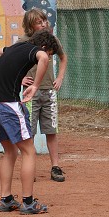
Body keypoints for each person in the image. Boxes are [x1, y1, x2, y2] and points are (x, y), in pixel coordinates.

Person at [0, 29, 61, 215]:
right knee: (29, 151)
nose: (48, 60)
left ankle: (6, 199)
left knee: (10, 151)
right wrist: (35, 86)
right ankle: (28, 202)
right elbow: (41, 58)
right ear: (43, 47)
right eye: (50, 54)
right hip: (8, 107)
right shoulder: (35, 51)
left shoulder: (14, 48)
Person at [19, 9, 68, 182]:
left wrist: (60, 77)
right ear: (30, 25)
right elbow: (13, 61)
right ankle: (29, 168)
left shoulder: (51, 40)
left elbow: (63, 57)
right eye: (39, 22)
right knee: (29, 132)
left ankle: (55, 167)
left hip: (49, 92)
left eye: (44, 21)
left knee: (51, 131)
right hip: (30, 93)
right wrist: (21, 78)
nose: (43, 24)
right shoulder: (23, 42)